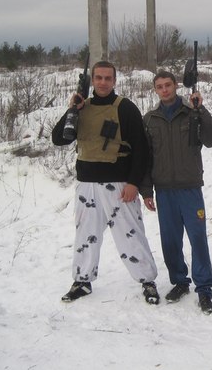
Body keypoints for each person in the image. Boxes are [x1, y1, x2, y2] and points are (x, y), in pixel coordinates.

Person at [52, 60, 159, 304]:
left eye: (107, 78)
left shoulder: (126, 108)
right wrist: (72, 110)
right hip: (87, 184)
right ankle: (82, 280)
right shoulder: (82, 108)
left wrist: (133, 183)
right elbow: (59, 139)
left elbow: (141, 150)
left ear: (114, 81)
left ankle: (147, 281)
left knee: (130, 235)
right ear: (92, 80)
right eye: (98, 78)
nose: (102, 82)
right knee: (85, 234)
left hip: (119, 184)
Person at [140, 71, 212, 315]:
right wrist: (146, 191)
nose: (164, 90)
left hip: (190, 188)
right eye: (159, 86)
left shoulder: (191, 111)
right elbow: (145, 158)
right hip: (164, 190)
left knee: (198, 238)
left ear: (176, 86)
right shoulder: (150, 120)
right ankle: (180, 281)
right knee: (170, 241)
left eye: (168, 85)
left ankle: (204, 288)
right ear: (155, 90)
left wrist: (201, 110)